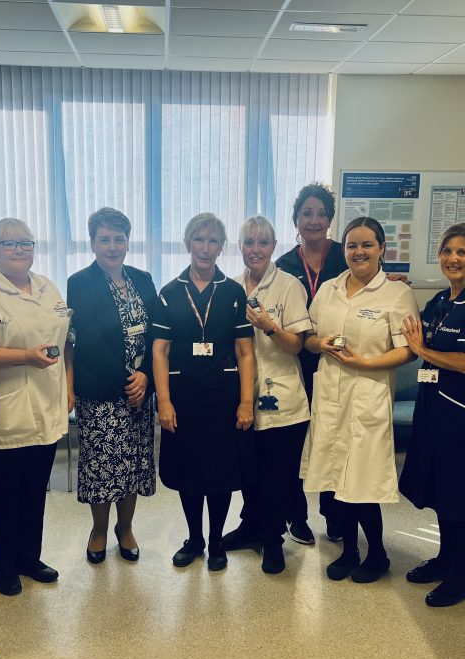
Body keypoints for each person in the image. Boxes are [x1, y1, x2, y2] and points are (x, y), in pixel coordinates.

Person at [301, 217, 418, 583]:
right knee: (335, 478)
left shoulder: (397, 294)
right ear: (344, 249)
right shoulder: (330, 289)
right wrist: (319, 344)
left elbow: (408, 351)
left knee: (362, 482)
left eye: (367, 245)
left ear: (382, 249)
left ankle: (378, 554)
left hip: (368, 394)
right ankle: (349, 550)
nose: (359, 252)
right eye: (352, 245)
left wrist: (365, 362)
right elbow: (309, 338)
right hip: (331, 394)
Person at [399, 223, 465, 608]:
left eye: (462, 252)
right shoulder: (441, 302)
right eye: (447, 252)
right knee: (441, 491)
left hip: (463, 416)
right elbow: (420, 336)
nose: (453, 259)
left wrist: (423, 352)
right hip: (433, 411)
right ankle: (444, 559)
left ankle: (458, 576)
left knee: (459, 495)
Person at [0, 218, 70, 597]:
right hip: (7, 411)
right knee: (5, 496)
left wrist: (67, 385)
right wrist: (25, 355)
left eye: (25, 243)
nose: (18, 250)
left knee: (34, 492)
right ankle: (4, 566)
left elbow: (63, 335)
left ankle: (29, 557)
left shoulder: (47, 287)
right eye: (8, 244)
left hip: (46, 405)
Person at [152, 212, 255, 571]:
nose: (205, 248)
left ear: (221, 247)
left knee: (220, 473)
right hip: (182, 400)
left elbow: (245, 351)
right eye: (199, 239)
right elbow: (160, 350)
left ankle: (216, 541)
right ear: (188, 243)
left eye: (213, 241)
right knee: (188, 472)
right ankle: (194, 538)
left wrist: (246, 402)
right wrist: (163, 402)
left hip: (223, 399)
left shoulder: (232, 292)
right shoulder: (168, 293)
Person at [220, 216, 312, 574]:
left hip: (283, 400)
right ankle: (250, 528)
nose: (255, 250)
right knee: (248, 472)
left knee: (277, 476)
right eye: (248, 243)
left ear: (274, 247)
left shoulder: (289, 286)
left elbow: (296, 345)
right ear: (240, 247)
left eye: (262, 243)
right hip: (241, 397)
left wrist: (269, 327)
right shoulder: (230, 287)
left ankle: (273, 540)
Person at [66, 208, 157, 564]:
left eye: (119, 238)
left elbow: (156, 336)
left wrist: (145, 376)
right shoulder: (79, 283)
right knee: (103, 468)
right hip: (101, 395)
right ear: (92, 243)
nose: (112, 246)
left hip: (139, 393)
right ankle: (99, 530)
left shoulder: (143, 279)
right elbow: (77, 343)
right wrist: (122, 384)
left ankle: (126, 528)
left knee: (133, 464)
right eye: (104, 239)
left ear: (128, 242)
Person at [276, 182, 348, 544]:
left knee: (331, 440)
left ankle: (334, 515)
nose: (314, 220)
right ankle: (296, 517)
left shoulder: (344, 257)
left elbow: (369, 280)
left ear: (330, 220)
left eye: (322, 214)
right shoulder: (284, 265)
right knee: (295, 443)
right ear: (297, 220)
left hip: (336, 361)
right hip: (296, 363)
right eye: (308, 213)